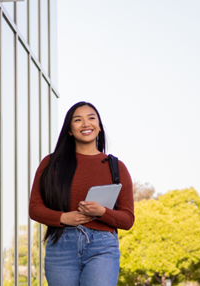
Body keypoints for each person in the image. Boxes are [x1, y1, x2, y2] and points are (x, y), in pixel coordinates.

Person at [28, 101, 134, 285]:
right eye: (78, 120)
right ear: (69, 130)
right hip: (60, 245)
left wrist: (101, 212)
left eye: (91, 118)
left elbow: (127, 219)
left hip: (102, 247)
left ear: (99, 127)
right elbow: (35, 209)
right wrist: (63, 218)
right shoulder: (51, 163)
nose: (86, 124)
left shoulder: (116, 167)